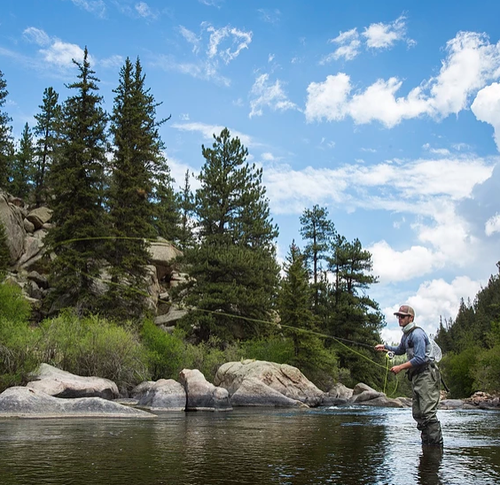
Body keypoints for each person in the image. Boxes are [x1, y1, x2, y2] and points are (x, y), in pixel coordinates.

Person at [375, 305, 443, 446]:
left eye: (402, 316)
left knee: (428, 414)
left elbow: (419, 358)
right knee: (418, 413)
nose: (399, 319)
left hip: (426, 375)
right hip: (418, 376)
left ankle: (435, 448)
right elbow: (400, 350)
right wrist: (385, 347)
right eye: (398, 316)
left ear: (411, 318)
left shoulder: (417, 334)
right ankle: (427, 445)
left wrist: (400, 367)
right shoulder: (406, 335)